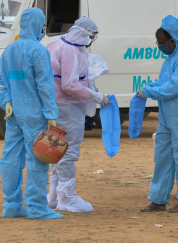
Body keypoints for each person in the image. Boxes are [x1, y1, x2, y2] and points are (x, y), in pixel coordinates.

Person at [0, 7, 63, 220]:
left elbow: (1, 82)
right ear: (38, 25)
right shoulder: (38, 50)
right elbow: (45, 85)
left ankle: (12, 204)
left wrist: (7, 101)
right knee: (38, 158)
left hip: (14, 114)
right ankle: (36, 207)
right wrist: (51, 113)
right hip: (35, 115)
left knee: (11, 158)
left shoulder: (10, 49)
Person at [138, 15, 178, 213]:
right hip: (167, 118)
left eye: (162, 42)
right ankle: (158, 200)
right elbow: (164, 83)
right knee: (163, 158)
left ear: (172, 40)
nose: (160, 46)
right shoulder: (171, 59)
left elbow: (174, 88)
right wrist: (151, 86)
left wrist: (149, 92)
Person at [46, 17, 110, 212]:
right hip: (68, 107)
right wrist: (96, 97)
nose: (91, 40)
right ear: (83, 33)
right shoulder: (71, 50)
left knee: (56, 150)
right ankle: (66, 198)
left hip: (56, 106)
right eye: (91, 36)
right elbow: (69, 85)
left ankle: (54, 197)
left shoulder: (55, 44)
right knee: (68, 150)